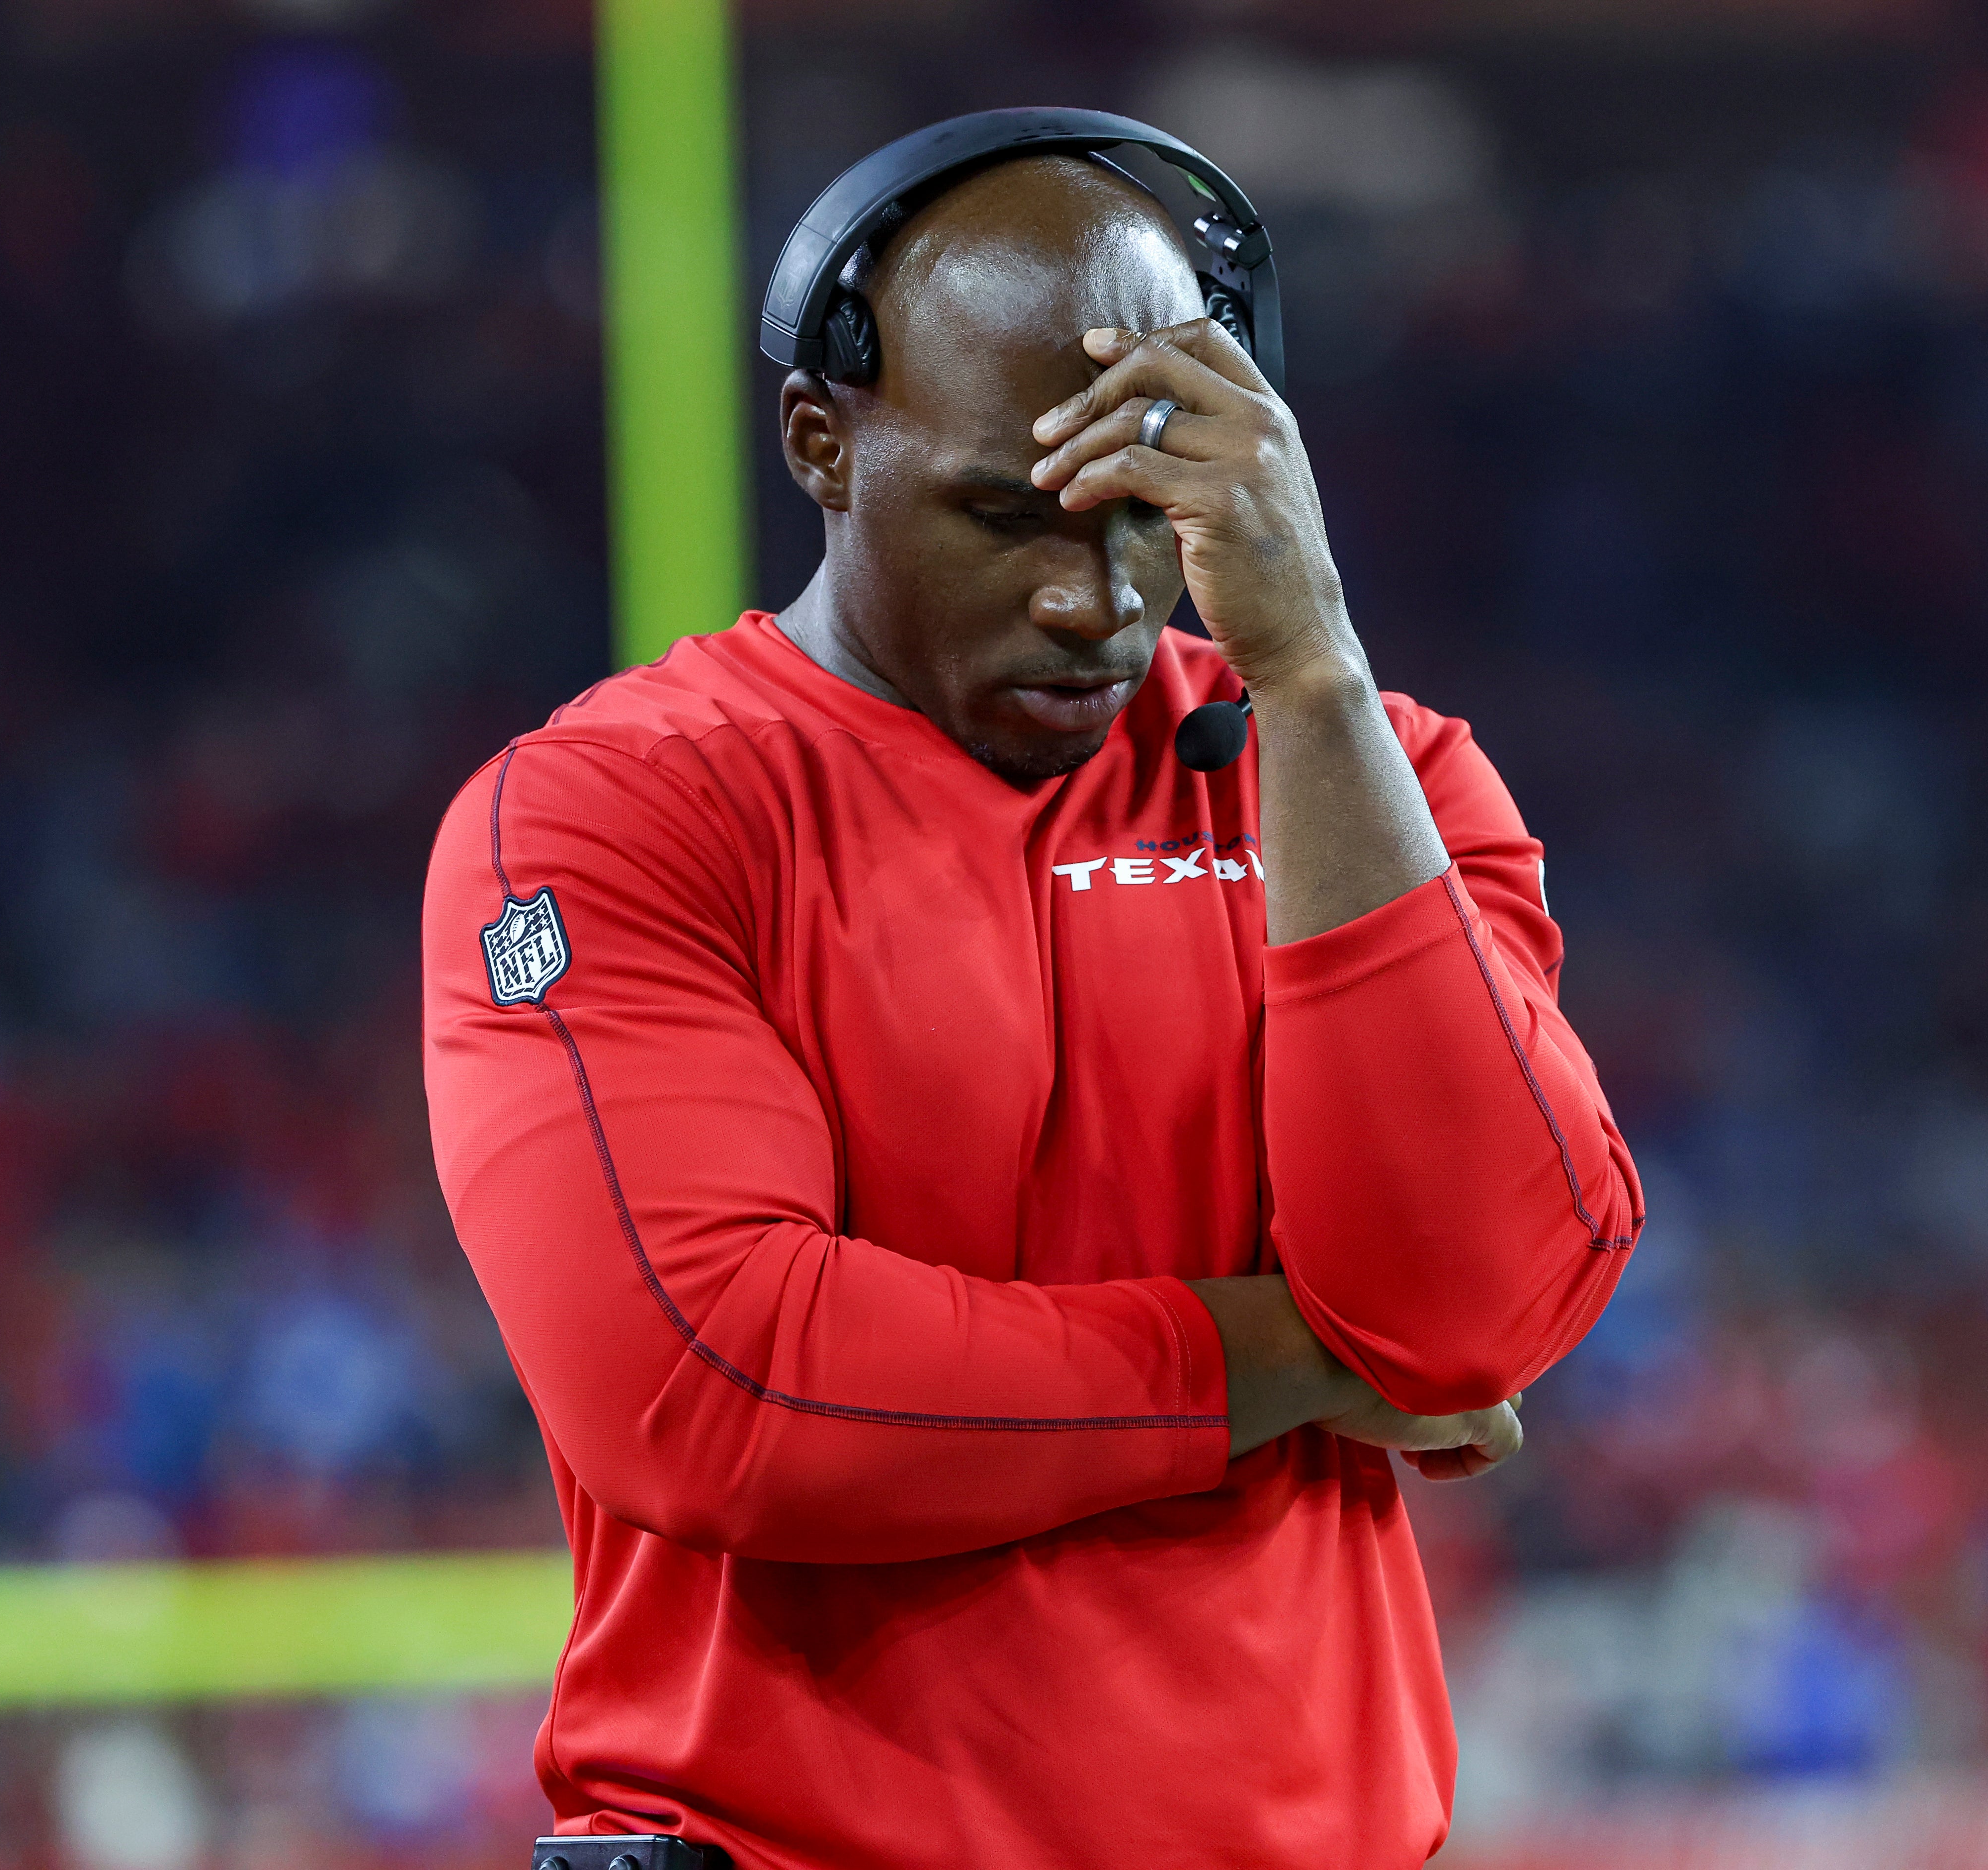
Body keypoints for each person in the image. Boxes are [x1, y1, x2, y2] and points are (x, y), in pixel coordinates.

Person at [422, 146, 1639, 1869]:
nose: (1094, 601)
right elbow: (718, 1393)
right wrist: (1303, 1355)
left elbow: (1479, 1309)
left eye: (1151, 515)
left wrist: (1311, 672)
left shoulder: (1378, 775)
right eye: (1008, 515)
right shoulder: (610, 814)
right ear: (820, 446)